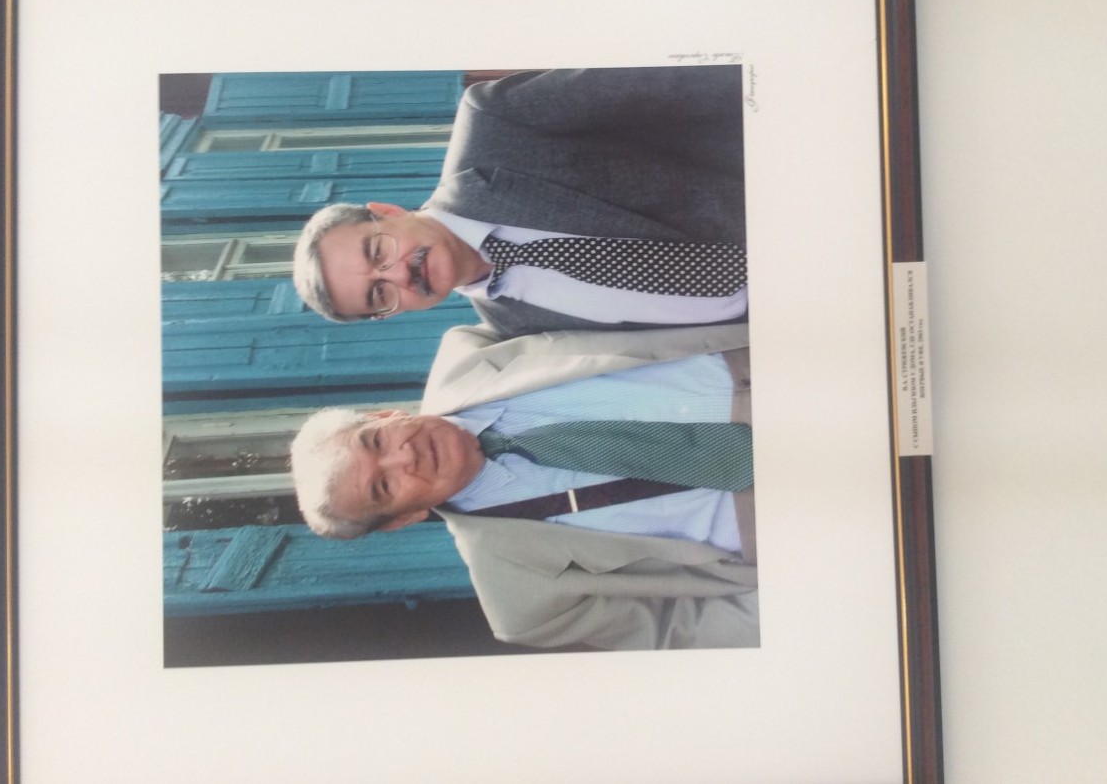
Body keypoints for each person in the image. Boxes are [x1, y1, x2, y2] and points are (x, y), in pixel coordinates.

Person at [290, 322, 758, 651]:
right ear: (403, 518)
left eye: (377, 441)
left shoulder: (473, 350)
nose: (404, 456)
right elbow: (680, 630)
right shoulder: (519, 601)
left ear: (384, 415)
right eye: (384, 485)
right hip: (778, 523)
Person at [292, 65, 748, 338]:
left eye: (377, 252)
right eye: (379, 293)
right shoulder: (517, 329)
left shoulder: (496, 125)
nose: (398, 274)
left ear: (387, 212)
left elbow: (678, 79)